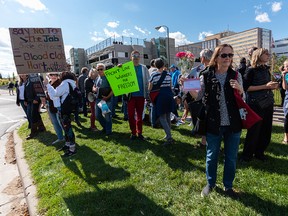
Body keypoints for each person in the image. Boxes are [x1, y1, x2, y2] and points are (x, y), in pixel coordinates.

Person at [190, 44, 244, 197]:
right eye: (224, 55)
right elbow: (198, 96)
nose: (228, 58)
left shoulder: (236, 75)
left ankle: (228, 186)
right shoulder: (206, 75)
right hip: (213, 122)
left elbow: (243, 99)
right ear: (216, 57)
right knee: (211, 155)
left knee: (231, 157)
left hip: (233, 124)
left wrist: (240, 89)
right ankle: (210, 183)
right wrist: (186, 85)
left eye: (230, 55)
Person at [241, 48, 278, 162]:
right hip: (255, 104)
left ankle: (259, 153)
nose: (268, 55)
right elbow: (246, 88)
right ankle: (247, 155)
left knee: (266, 130)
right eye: (265, 54)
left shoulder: (266, 69)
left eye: (268, 53)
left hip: (267, 102)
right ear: (258, 55)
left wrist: (272, 86)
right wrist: (266, 86)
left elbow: (266, 85)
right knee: (254, 130)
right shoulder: (251, 70)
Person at [46, 71, 77, 157]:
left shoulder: (65, 84)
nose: (59, 76)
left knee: (67, 128)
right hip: (66, 108)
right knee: (66, 127)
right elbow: (54, 96)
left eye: (60, 75)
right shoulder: (70, 83)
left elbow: (55, 94)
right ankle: (68, 145)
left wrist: (48, 85)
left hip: (63, 109)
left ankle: (72, 149)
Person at [189, 49, 213, 147]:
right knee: (204, 122)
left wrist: (187, 84)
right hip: (207, 100)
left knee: (207, 123)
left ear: (202, 58)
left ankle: (210, 144)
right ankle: (204, 142)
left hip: (206, 101)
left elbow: (199, 93)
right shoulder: (215, 69)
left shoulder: (205, 71)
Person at [148, 58, 175, 145]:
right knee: (167, 116)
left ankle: (169, 137)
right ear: (163, 65)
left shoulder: (154, 75)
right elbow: (171, 86)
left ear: (155, 65)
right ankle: (168, 135)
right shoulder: (168, 74)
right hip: (169, 95)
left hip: (160, 96)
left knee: (162, 117)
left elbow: (150, 87)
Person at [127, 50, 150, 140]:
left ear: (139, 58)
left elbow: (148, 81)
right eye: (134, 57)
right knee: (131, 115)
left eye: (137, 57)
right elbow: (120, 77)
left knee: (140, 115)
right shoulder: (127, 68)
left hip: (141, 96)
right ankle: (133, 132)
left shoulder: (144, 68)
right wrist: (119, 68)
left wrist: (148, 94)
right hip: (130, 96)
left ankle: (139, 133)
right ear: (131, 58)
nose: (136, 59)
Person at [24, 74, 46, 139]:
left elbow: (39, 88)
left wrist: (36, 99)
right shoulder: (28, 79)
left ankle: (33, 132)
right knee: (36, 114)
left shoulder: (36, 77)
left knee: (33, 115)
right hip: (30, 100)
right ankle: (42, 128)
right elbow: (26, 91)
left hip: (35, 100)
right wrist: (25, 100)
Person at [94, 63, 113, 136]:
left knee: (107, 115)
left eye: (101, 69)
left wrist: (107, 97)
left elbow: (113, 89)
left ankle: (108, 131)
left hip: (105, 100)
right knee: (98, 115)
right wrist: (94, 89)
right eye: (98, 69)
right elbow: (94, 86)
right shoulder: (97, 78)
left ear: (104, 69)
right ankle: (105, 127)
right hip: (98, 99)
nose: (99, 71)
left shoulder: (108, 77)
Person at [45, 73, 64, 145]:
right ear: (49, 76)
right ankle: (60, 138)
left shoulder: (59, 83)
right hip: (51, 106)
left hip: (58, 106)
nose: (53, 76)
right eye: (51, 75)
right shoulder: (49, 83)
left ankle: (68, 138)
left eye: (55, 75)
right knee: (55, 123)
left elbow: (54, 95)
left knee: (61, 123)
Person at [282, 60, 288, 144]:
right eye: (285, 66)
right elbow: (285, 87)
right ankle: (286, 137)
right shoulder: (286, 75)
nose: (285, 68)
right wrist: (283, 77)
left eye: (287, 66)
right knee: (287, 117)